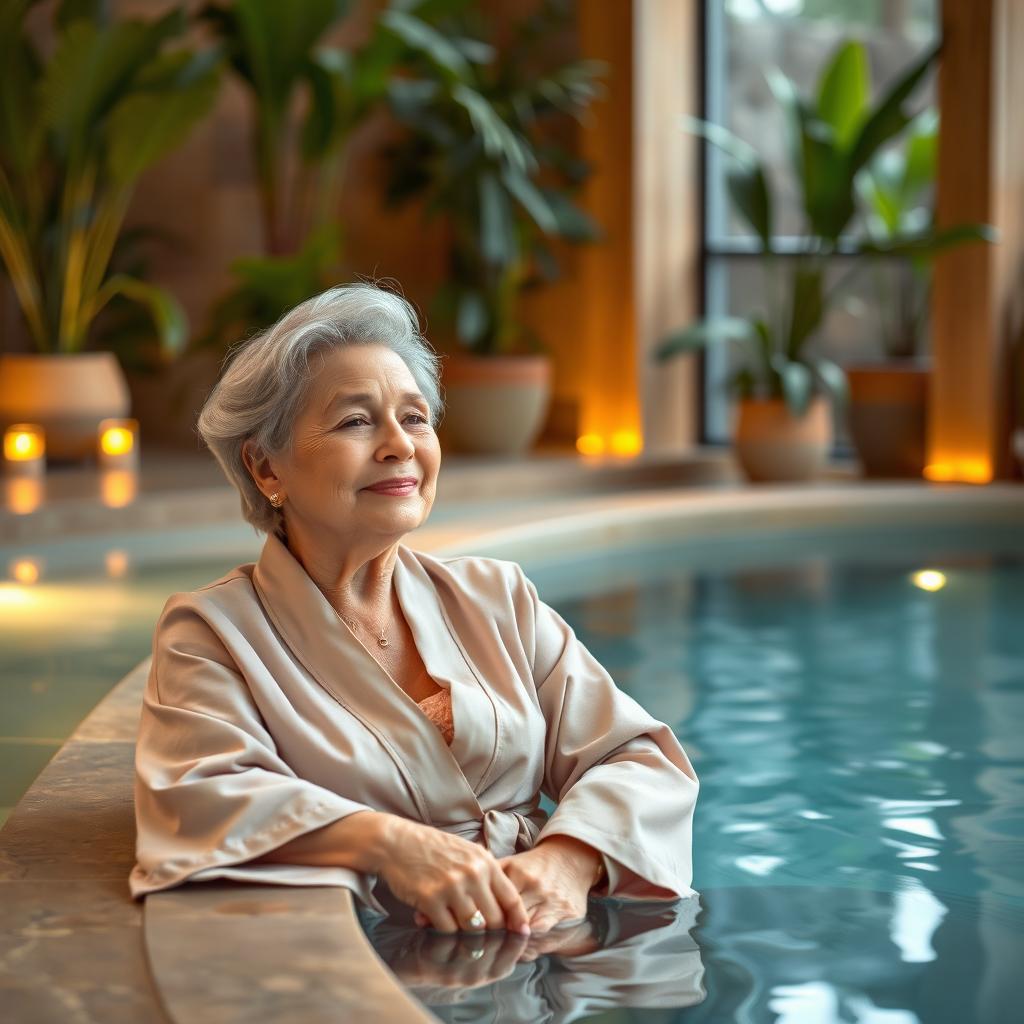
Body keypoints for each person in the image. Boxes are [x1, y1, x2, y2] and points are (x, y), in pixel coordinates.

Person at [129, 283, 700, 936]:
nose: (399, 445)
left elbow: (638, 757)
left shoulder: (498, 598)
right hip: (380, 957)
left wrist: (570, 860)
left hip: (544, 946)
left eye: (416, 417)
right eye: (355, 420)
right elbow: (198, 795)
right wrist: (391, 845)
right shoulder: (212, 635)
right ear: (265, 468)